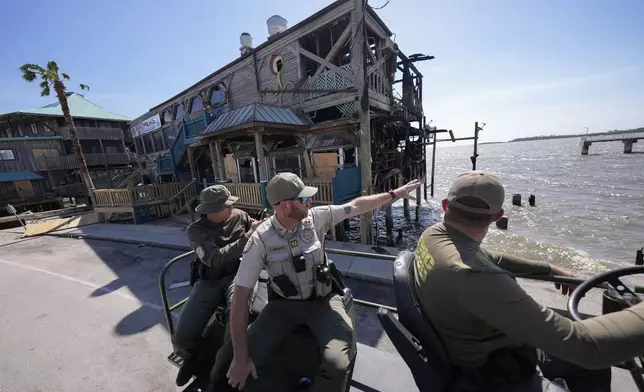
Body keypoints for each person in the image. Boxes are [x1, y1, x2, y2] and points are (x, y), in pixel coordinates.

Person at [413, 171, 644, 392]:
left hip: (456, 346)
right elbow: (586, 347)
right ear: (497, 216)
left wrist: (549, 268)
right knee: (592, 364)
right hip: (491, 372)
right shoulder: (478, 278)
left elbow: (493, 257)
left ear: (445, 206)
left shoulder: (433, 235)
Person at [218, 172, 422, 392]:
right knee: (238, 357)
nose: (310, 201)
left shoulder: (316, 217)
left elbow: (356, 206)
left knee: (337, 362)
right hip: (282, 306)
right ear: (285, 206)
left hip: (323, 302)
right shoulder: (260, 240)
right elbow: (240, 298)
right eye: (304, 199)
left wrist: (394, 193)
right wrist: (240, 358)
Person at [172, 185, 264, 387]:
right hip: (210, 280)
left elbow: (254, 225)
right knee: (182, 337)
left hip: (238, 276)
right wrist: (249, 236)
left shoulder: (239, 215)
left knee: (235, 327)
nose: (232, 206)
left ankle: (218, 376)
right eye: (227, 205)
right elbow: (215, 259)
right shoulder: (196, 231)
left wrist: (259, 225)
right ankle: (197, 357)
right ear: (212, 211)